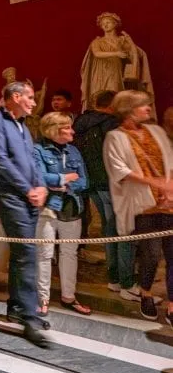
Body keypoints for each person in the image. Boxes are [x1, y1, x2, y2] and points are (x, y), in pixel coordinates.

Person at [0, 81, 50, 348]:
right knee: (27, 254)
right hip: (11, 196)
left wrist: (41, 186)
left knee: (21, 253)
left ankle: (16, 307)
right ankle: (30, 316)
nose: (34, 102)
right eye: (30, 98)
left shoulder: (23, 126)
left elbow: (31, 161)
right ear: (15, 96)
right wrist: (27, 189)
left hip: (30, 196)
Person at [104, 91, 173, 323]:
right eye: (143, 106)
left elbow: (169, 162)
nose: (149, 110)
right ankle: (146, 293)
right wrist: (153, 183)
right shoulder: (114, 137)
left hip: (168, 202)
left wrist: (167, 190)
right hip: (143, 205)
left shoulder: (156, 131)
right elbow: (119, 170)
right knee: (151, 254)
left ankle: (172, 304)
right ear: (129, 110)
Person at [73, 90, 132, 295]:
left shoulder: (79, 123)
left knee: (109, 229)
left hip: (92, 184)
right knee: (123, 232)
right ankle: (125, 281)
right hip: (112, 184)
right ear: (112, 105)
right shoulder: (112, 124)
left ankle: (113, 277)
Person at [34, 113, 91, 315]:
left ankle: (69, 296)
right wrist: (63, 178)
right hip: (47, 208)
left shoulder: (74, 151)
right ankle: (42, 299)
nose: (72, 131)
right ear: (54, 130)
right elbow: (39, 176)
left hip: (72, 207)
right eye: (67, 128)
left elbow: (84, 181)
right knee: (44, 254)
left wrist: (59, 183)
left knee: (69, 254)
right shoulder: (38, 150)